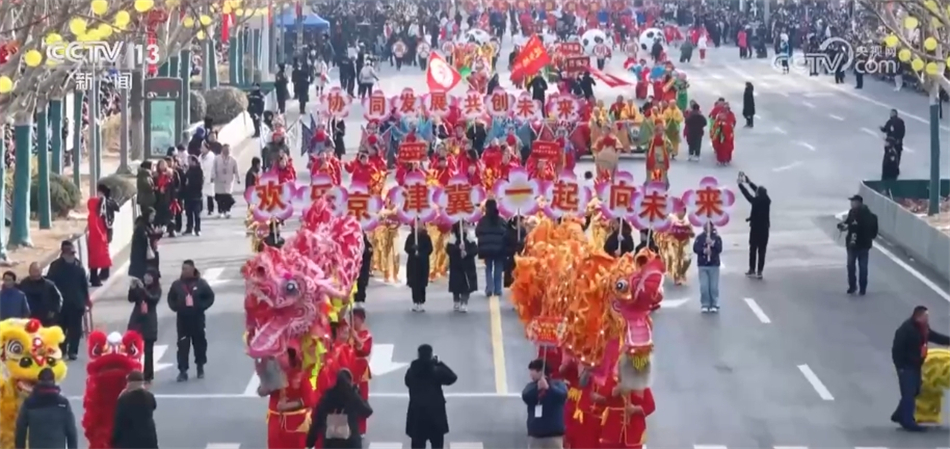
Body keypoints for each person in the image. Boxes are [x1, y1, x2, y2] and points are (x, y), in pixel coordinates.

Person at [891, 305, 950, 431]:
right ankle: (908, 422)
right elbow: (897, 349)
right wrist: (900, 366)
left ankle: (899, 415)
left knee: (915, 391)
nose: (927, 318)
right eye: (925, 316)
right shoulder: (906, 330)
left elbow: (935, 337)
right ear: (918, 316)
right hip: (906, 366)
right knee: (909, 393)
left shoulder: (923, 329)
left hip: (916, 364)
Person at [166, 260, 215, 381]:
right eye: (183, 269)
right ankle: (183, 370)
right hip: (183, 320)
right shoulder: (177, 285)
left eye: (186, 269)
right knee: (182, 345)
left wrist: (201, 306)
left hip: (197, 318)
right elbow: (170, 299)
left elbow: (210, 297)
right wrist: (177, 307)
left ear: (193, 269)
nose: (184, 271)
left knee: (199, 343)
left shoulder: (201, 284)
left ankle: (200, 366)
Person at [259, 349, 316, 449]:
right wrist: (266, 385)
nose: (280, 359)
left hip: (295, 426)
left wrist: (288, 406)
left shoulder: (299, 375)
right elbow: (261, 392)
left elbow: (310, 399)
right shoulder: (274, 374)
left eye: (283, 356)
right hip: (276, 425)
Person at [405, 344, 457, 449]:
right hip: (435, 417)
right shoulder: (436, 371)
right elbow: (452, 377)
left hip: (417, 417)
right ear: (431, 355)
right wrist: (439, 363)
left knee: (418, 445)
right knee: (437, 445)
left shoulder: (412, 371)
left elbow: (407, 382)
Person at [14, 367, 78, 449]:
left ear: (38, 381)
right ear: (54, 381)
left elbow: (20, 430)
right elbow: (71, 432)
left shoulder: (29, 403)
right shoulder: (63, 403)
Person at [307, 368, 372, 449]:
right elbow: (367, 411)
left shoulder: (328, 396)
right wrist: (358, 394)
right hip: (351, 442)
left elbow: (318, 420)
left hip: (331, 443)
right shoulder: (352, 396)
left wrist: (310, 441)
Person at [47, 240, 90, 359]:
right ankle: (62, 349)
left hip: (76, 303)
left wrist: (87, 299)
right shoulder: (55, 266)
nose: (71, 255)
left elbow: (84, 284)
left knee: (75, 329)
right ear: (63, 253)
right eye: (69, 252)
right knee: (61, 328)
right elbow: (50, 285)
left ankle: (73, 351)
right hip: (61, 304)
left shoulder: (79, 265)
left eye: (72, 252)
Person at [522, 359, 567, 449]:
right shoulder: (531, 386)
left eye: (532, 371)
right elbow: (526, 396)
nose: (530, 374)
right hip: (536, 435)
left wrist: (548, 388)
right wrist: (537, 389)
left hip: (553, 435)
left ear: (540, 371)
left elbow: (562, 396)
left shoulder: (558, 384)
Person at [837, 195, 878, 295]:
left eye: (853, 202)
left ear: (859, 203)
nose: (851, 204)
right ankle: (853, 286)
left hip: (862, 245)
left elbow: (870, 230)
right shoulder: (852, 213)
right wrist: (843, 226)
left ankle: (860, 287)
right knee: (852, 266)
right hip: (853, 245)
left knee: (861, 267)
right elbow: (848, 224)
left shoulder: (868, 216)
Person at [127, 269, 161, 383]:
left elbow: (153, 299)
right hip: (137, 319)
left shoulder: (157, 289)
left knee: (148, 349)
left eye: (150, 276)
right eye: (146, 276)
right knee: (132, 347)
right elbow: (131, 299)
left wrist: (143, 289)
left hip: (149, 321)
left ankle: (148, 375)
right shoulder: (140, 286)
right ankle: (133, 372)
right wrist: (132, 288)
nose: (147, 278)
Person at [111, 371, 158, 449]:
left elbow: (119, 421)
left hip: (129, 440)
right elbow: (154, 406)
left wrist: (114, 439)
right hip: (149, 437)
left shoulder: (124, 399)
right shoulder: (149, 396)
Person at [737, 173, 770, 279]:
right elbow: (757, 191)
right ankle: (760, 271)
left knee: (753, 249)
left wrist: (741, 185)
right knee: (762, 251)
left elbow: (747, 195)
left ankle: (752, 269)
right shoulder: (767, 201)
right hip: (765, 229)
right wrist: (749, 182)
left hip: (755, 229)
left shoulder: (755, 202)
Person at [475, 200, 508, 298]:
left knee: (488, 268)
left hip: (486, 248)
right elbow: (506, 232)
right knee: (498, 267)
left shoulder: (482, 220)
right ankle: (498, 289)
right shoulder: (501, 220)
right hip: (499, 248)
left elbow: (477, 232)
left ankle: (489, 288)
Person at [446, 222, 478, 313]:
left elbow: (475, 249)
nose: (465, 227)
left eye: (466, 225)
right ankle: (456, 301)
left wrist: (467, 252)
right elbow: (448, 250)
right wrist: (457, 248)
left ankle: (464, 302)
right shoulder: (453, 238)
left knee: (466, 285)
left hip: (468, 266)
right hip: (456, 265)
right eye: (463, 226)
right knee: (456, 284)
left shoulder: (469, 237)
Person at [693, 222, 722, 313]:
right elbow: (695, 248)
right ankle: (705, 303)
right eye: (705, 224)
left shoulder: (717, 238)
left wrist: (712, 244)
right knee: (704, 286)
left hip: (714, 265)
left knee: (713, 286)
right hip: (702, 265)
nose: (707, 226)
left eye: (709, 225)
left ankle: (714, 303)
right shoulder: (700, 238)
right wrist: (703, 251)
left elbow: (719, 248)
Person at [405, 222, 434, 312]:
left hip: (423, 262)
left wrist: (421, 253)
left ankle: (421, 301)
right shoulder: (411, 237)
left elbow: (430, 249)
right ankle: (415, 302)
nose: (419, 227)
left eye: (421, 225)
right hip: (413, 262)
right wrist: (413, 248)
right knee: (414, 283)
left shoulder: (426, 237)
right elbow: (406, 248)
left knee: (422, 283)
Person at [128, 212, 163, 281]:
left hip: (147, 254)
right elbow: (147, 238)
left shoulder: (147, 225)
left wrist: (158, 234)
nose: (153, 218)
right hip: (142, 254)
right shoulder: (141, 227)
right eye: (152, 216)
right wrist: (157, 234)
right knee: (142, 275)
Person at [212, 144, 241, 218]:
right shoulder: (217, 158)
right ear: (222, 150)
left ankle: (227, 210)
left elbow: (236, 170)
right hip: (219, 180)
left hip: (228, 181)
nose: (227, 151)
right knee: (219, 197)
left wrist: (238, 178)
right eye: (225, 150)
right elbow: (213, 169)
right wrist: (212, 177)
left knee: (228, 197)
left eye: (228, 150)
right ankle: (220, 211)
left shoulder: (233, 160)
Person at [200, 144, 216, 216]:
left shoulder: (212, 156)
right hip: (202, 177)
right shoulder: (200, 157)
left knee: (210, 194)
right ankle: (200, 209)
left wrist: (213, 176)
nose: (201, 149)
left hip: (209, 177)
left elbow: (214, 167)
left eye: (203, 148)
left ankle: (210, 209)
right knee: (201, 194)